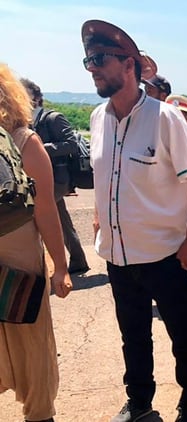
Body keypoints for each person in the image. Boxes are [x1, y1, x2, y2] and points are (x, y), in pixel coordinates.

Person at [81, 20, 187, 422]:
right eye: (88, 61)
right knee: (132, 337)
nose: (92, 68)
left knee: (183, 337)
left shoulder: (165, 119)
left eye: (99, 59)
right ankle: (139, 405)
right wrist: (101, 214)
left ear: (128, 64)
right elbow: (105, 176)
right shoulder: (98, 118)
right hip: (118, 256)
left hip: (165, 253)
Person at [0, 64, 73, 422]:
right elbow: (45, 210)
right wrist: (60, 266)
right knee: (31, 339)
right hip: (21, 258)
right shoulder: (25, 141)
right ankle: (39, 413)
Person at [20, 78, 90, 274]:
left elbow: (71, 144)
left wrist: (41, 149)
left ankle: (38, 266)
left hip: (57, 179)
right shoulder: (26, 121)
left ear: (37, 97)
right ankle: (78, 260)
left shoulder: (52, 118)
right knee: (60, 220)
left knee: (35, 215)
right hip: (43, 178)